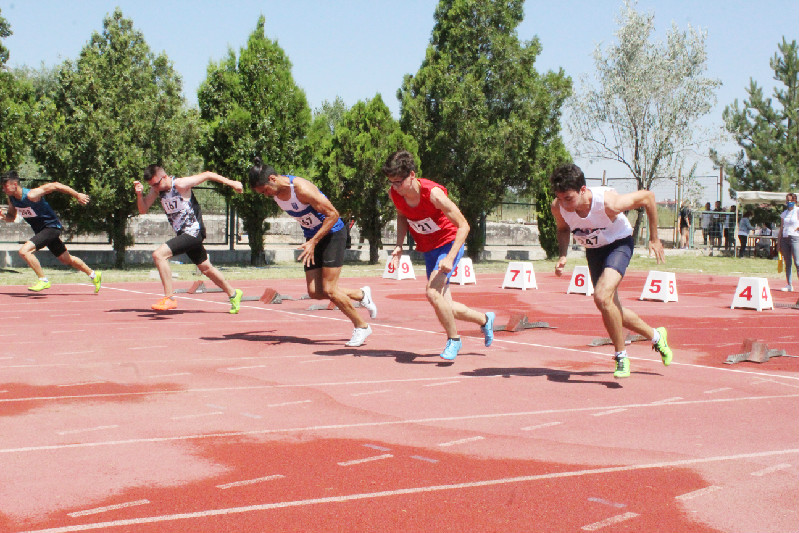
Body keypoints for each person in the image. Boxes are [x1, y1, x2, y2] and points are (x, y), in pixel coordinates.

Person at [550, 163, 672, 379]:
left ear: (583, 190)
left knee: (602, 296)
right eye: (560, 198)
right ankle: (656, 336)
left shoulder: (607, 203)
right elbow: (562, 229)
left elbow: (648, 198)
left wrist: (654, 238)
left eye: (568, 198)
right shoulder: (558, 207)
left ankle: (621, 355)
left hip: (619, 244)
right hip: (594, 250)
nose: (564, 204)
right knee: (607, 305)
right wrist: (563, 254)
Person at [248, 157, 377, 347]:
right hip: (312, 238)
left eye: (265, 190)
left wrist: (314, 241)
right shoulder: (275, 192)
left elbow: (333, 214)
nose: (266, 195)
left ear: (273, 179)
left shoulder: (301, 189)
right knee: (315, 292)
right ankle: (360, 294)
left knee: (330, 290)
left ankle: (362, 326)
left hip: (332, 234)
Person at [381, 150, 494, 361]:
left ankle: (454, 340)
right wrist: (399, 245)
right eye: (391, 182)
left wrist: (450, 257)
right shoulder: (395, 194)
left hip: (449, 243)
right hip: (429, 249)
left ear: (412, 175)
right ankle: (485, 319)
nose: (394, 187)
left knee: (432, 293)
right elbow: (402, 214)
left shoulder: (433, 194)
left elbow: (464, 226)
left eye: (398, 182)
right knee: (445, 305)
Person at [133, 165, 244, 312]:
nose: (155, 188)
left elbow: (208, 174)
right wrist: (140, 195)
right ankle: (234, 293)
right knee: (206, 268)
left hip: (194, 232)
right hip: (184, 234)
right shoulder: (157, 190)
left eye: (156, 184)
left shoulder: (180, 184)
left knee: (159, 255)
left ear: (164, 177)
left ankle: (169, 298)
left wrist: (233, 183)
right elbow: (143, 209)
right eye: (152, 186)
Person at [1, 170, 102, 293]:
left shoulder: (31, 195)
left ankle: (43, 280)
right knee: (66, 259)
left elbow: (55, 185)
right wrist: (3, 217)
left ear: (15, 184)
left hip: (51, 227)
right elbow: (12, 217)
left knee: (24, 251)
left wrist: (77, 195)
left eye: (5, 186)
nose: (3, 189)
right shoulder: (12, 199)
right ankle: (94, 275)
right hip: (42, 231)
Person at [778, 192, 799, 291]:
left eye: (790, 200)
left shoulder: (798, 211)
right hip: (785, 238)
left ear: (795, 201)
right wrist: (779, 242)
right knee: (788, 262)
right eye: (787, 200)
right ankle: (789, 284)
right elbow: (781, 228)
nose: (789, 202)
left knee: (797, 262)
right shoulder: (784, 213)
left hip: (795, 238)